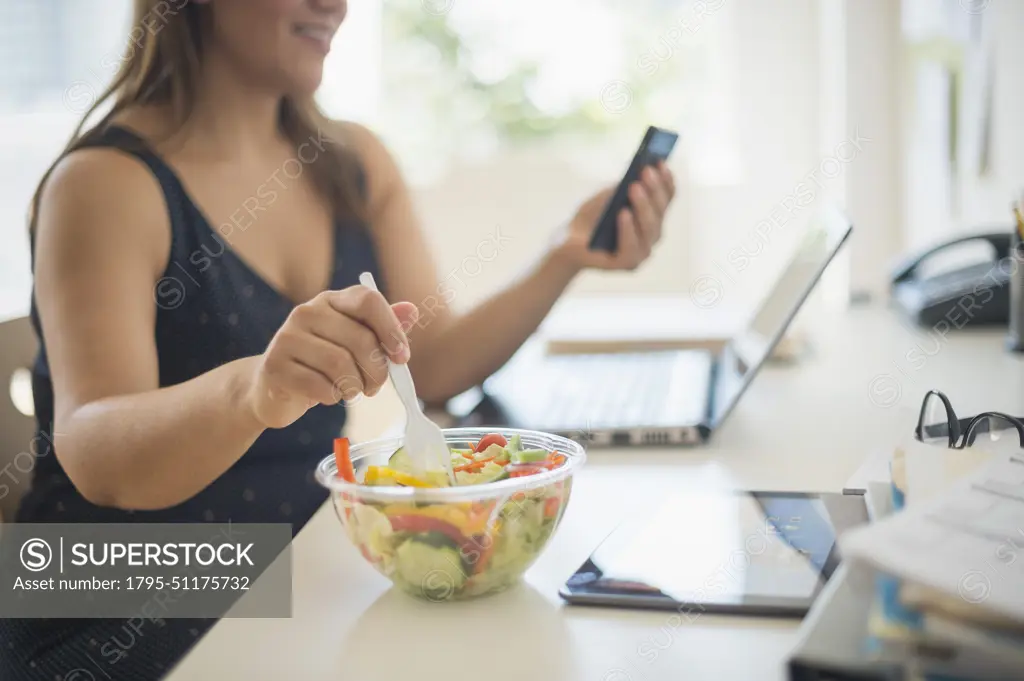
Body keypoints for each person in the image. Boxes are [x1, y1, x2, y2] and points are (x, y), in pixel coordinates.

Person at [0, 0, 675, 678]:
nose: (336, 5)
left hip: (278, 564)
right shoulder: (103, 183)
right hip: (96, 587)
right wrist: (258, 387)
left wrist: (563, 256)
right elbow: (96, 450)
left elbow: (433, 363)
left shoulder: (348, 161)